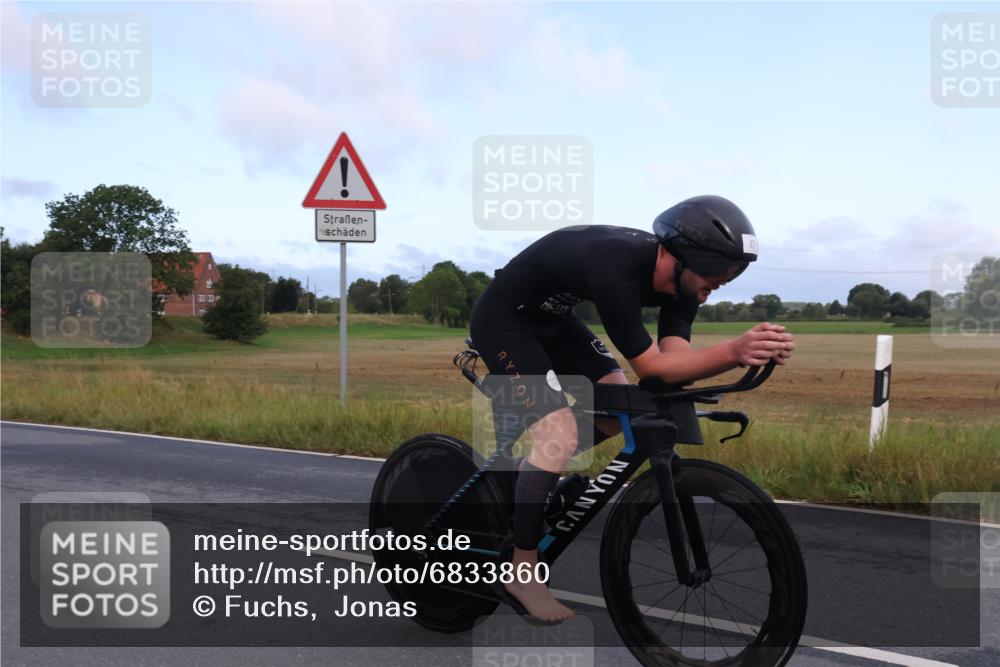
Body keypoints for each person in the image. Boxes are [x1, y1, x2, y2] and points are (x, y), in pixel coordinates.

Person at [468, 194, 796, 622]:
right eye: (718, 271)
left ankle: (533, 479)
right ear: (680, 256)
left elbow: (670, 370)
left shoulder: (685, 286)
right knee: (560, 434)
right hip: (503, 321)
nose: (721, 282)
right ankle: (523, 569)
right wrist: (734, 350)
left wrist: (750, 351)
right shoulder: (616, 268)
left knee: (615, 403)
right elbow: (653, 364)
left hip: (555, 321)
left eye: (732, 274)